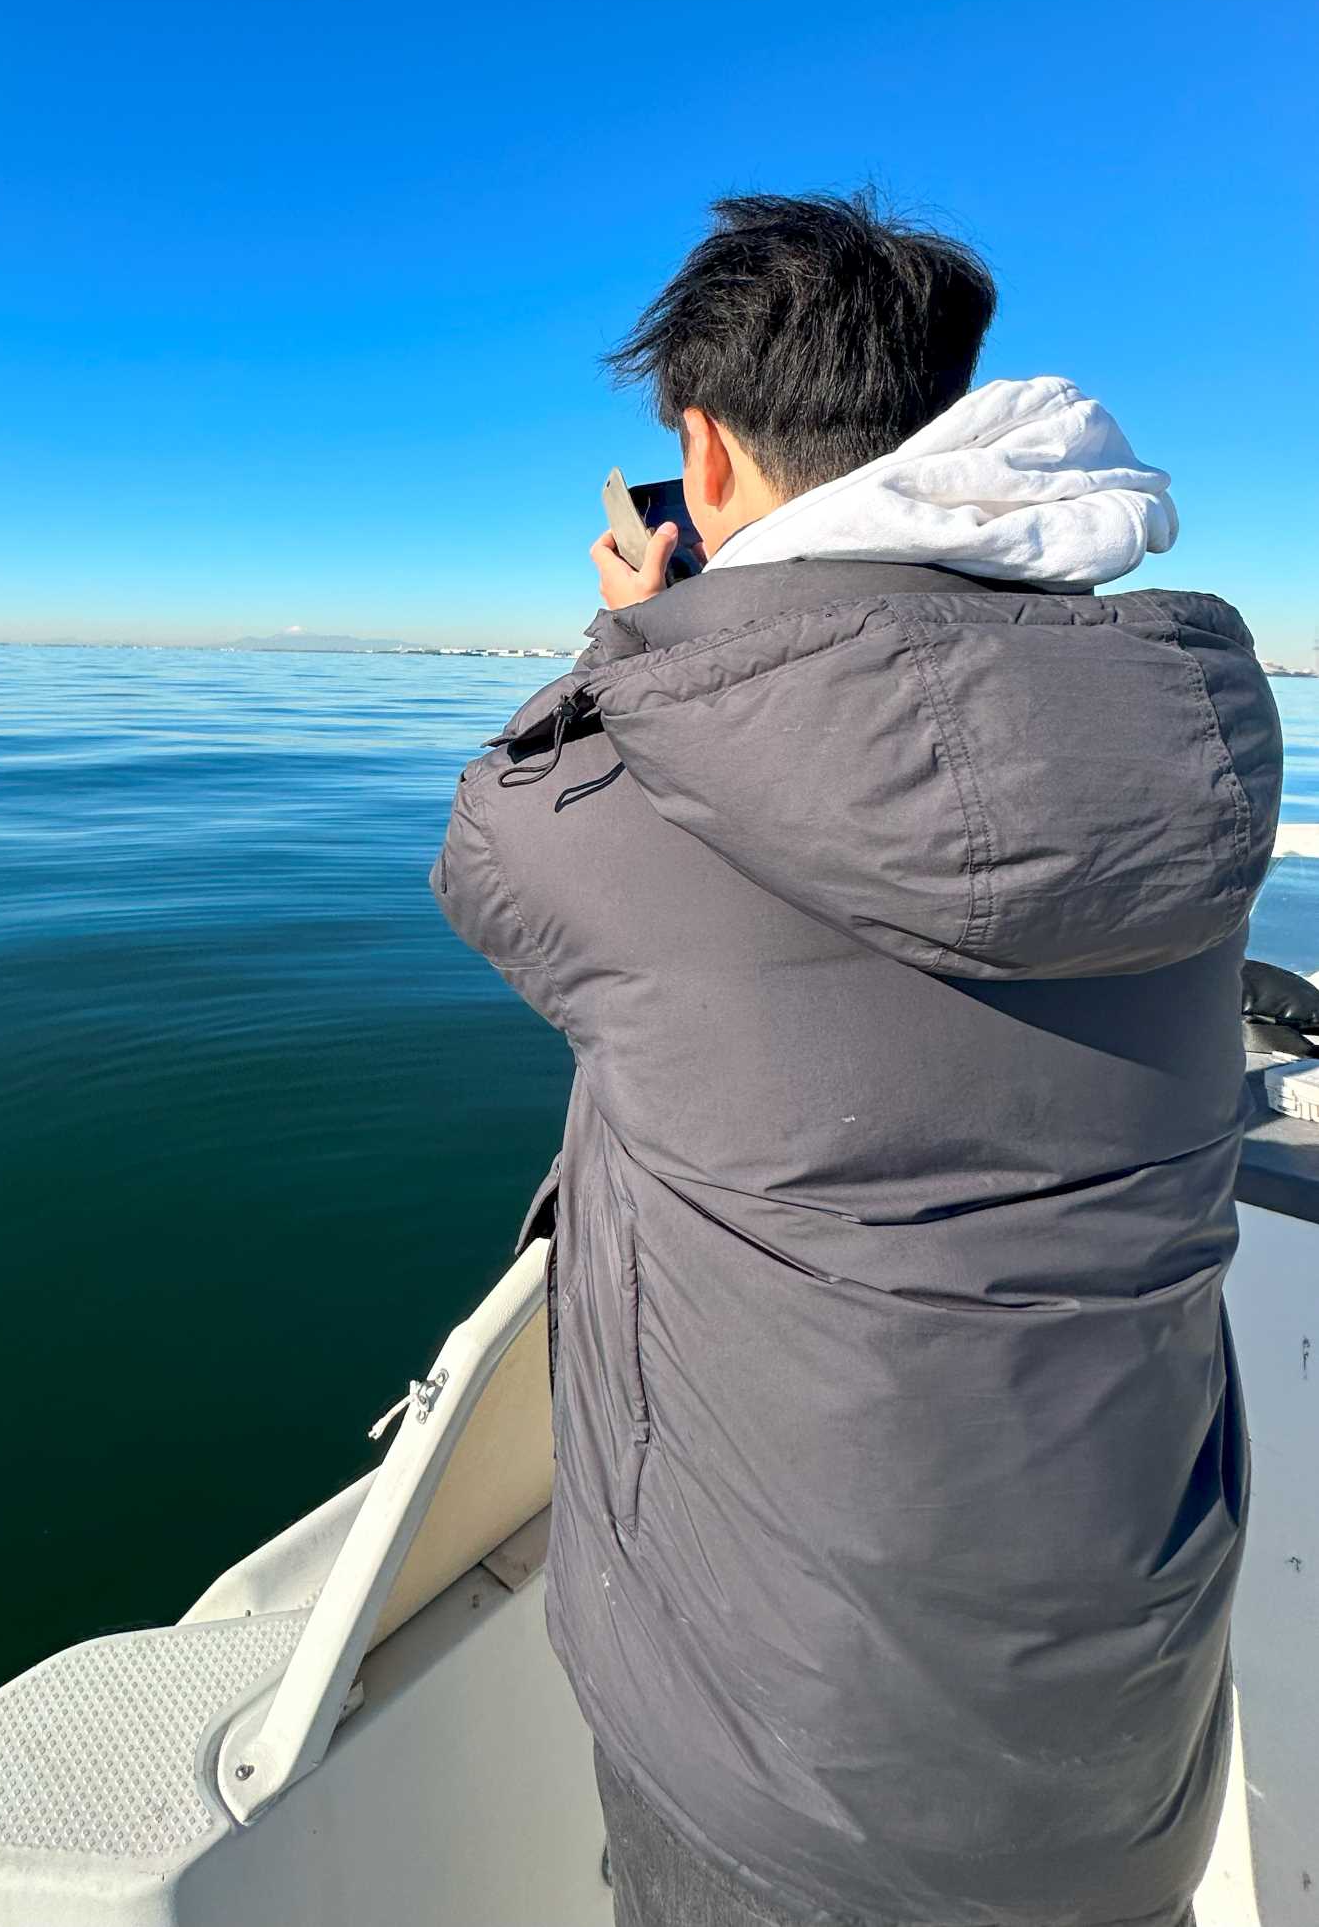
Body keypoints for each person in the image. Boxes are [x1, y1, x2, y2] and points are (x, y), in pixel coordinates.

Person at [432, 192, 1285, 1927]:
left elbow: (488, 844)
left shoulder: (614, 801)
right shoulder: (1197, 749)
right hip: (1130, 1723)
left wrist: (643, 639)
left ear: (704, 448)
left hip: (786, 1776)